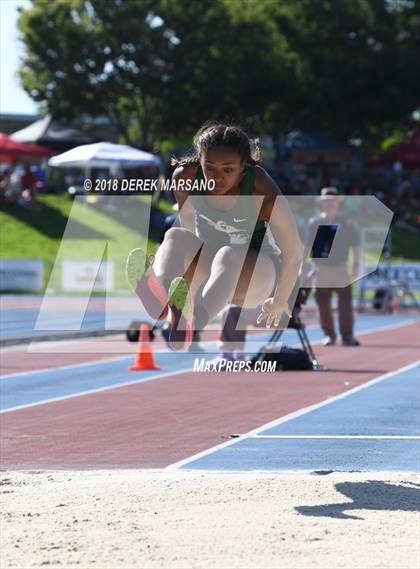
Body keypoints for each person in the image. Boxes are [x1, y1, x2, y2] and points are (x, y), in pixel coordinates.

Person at [126, 121, 303, 351]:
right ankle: (161, 297)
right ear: (199, 160)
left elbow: (293, 253)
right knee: (175, 235)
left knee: (228, 255)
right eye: (210, 167)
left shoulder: (260, 188)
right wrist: (176, 272)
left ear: (243, 167)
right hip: (213, 270)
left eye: (228, 169)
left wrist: (280, 300)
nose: (217, 177)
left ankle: (194, 322)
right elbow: (189, 230)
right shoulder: (185, 178)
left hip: (257, 274)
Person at [304, 187, 361, 346]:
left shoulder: (347, 223)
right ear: (321, 205)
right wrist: (302, 265)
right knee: (322, 303)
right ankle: (329, 335)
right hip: (321, 268)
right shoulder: (314, 223)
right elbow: (307, 247)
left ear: (338, 204)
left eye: (332, 203)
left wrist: (356, 264)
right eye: (326, 203)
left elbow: (356, 246)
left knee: (345, 302)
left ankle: (347, 336)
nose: (329, 206)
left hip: (341, 268)